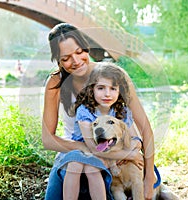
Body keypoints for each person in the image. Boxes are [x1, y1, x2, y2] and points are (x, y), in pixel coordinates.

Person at [42, 23, 155, 199]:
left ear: (87, 47)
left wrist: (149, 180)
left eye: (79, 52)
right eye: (66, 58)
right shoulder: (55, 83)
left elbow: (145, 129)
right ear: (58, 60)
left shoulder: (112, 75)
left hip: (113, 151)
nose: (76, 61)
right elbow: (47, 140)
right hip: (75, 151)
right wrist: (90, 148)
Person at [62, 62, 143, 200]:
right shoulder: (85, 110)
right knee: (76, 165)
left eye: (113, 88)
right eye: (100, 88)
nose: (107, 94)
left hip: (109, 152)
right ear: (91, 89)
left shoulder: (121, 111)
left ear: (119, 91)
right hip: (84, 149)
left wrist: (133, 151)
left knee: (91, 168)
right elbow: (94, 148)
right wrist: (127, 156)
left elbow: (136, 139)